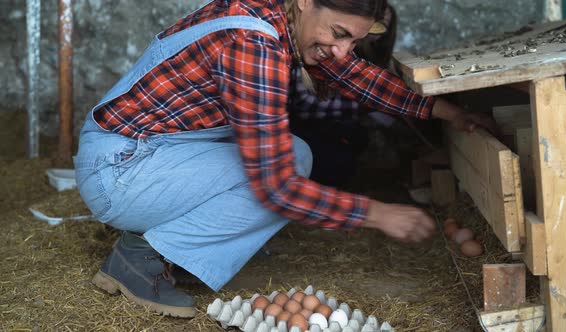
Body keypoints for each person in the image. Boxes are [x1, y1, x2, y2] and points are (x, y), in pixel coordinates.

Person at [74, 0, 496, 318]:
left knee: (297, 153)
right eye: (338, 33)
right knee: (289, 167)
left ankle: (171, 251)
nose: (344, 50)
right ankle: (139, 256)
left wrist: (448, 112)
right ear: (306, 2)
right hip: (122, 172)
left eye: (354, 39)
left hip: (152, 155)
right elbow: (276, 187)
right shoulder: (252, 44)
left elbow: (355, 76)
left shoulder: (277, 17)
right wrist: (375, 214)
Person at [288, 4, 398, 187]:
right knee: (339, 157)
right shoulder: (317, 46)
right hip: (310, 123)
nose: (372, 29)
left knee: (357, 139)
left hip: (338, 123)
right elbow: (308, 103)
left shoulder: (369, 55)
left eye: (379, 25)